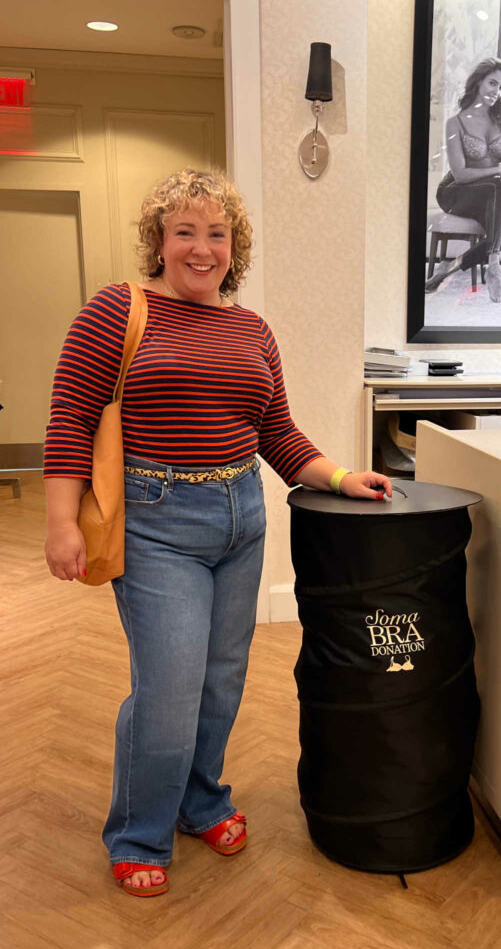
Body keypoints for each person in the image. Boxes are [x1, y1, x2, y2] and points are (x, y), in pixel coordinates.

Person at [43, 168, 392, 898]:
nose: (202, 249)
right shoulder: (118, 309)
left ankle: (200, 799)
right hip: (156, 523)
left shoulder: (251, 329)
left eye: (217, 234)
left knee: (221, 681)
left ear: (235, 246)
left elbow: (277, 432)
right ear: (158, 241)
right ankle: (140, 831)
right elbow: (70, 420)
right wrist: (60, 524)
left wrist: (338, 476)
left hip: (242, 515)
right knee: (168, 687)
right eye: (185, 232)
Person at [424, 58, 501, 303]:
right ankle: (495, 269)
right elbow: (460, 173)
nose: (496, 91)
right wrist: (499, 171)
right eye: (492, 83)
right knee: (499, 182)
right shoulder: (455, 122)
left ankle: (449, 268)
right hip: (456, 191)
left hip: (491, 192)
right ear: (478, 82)